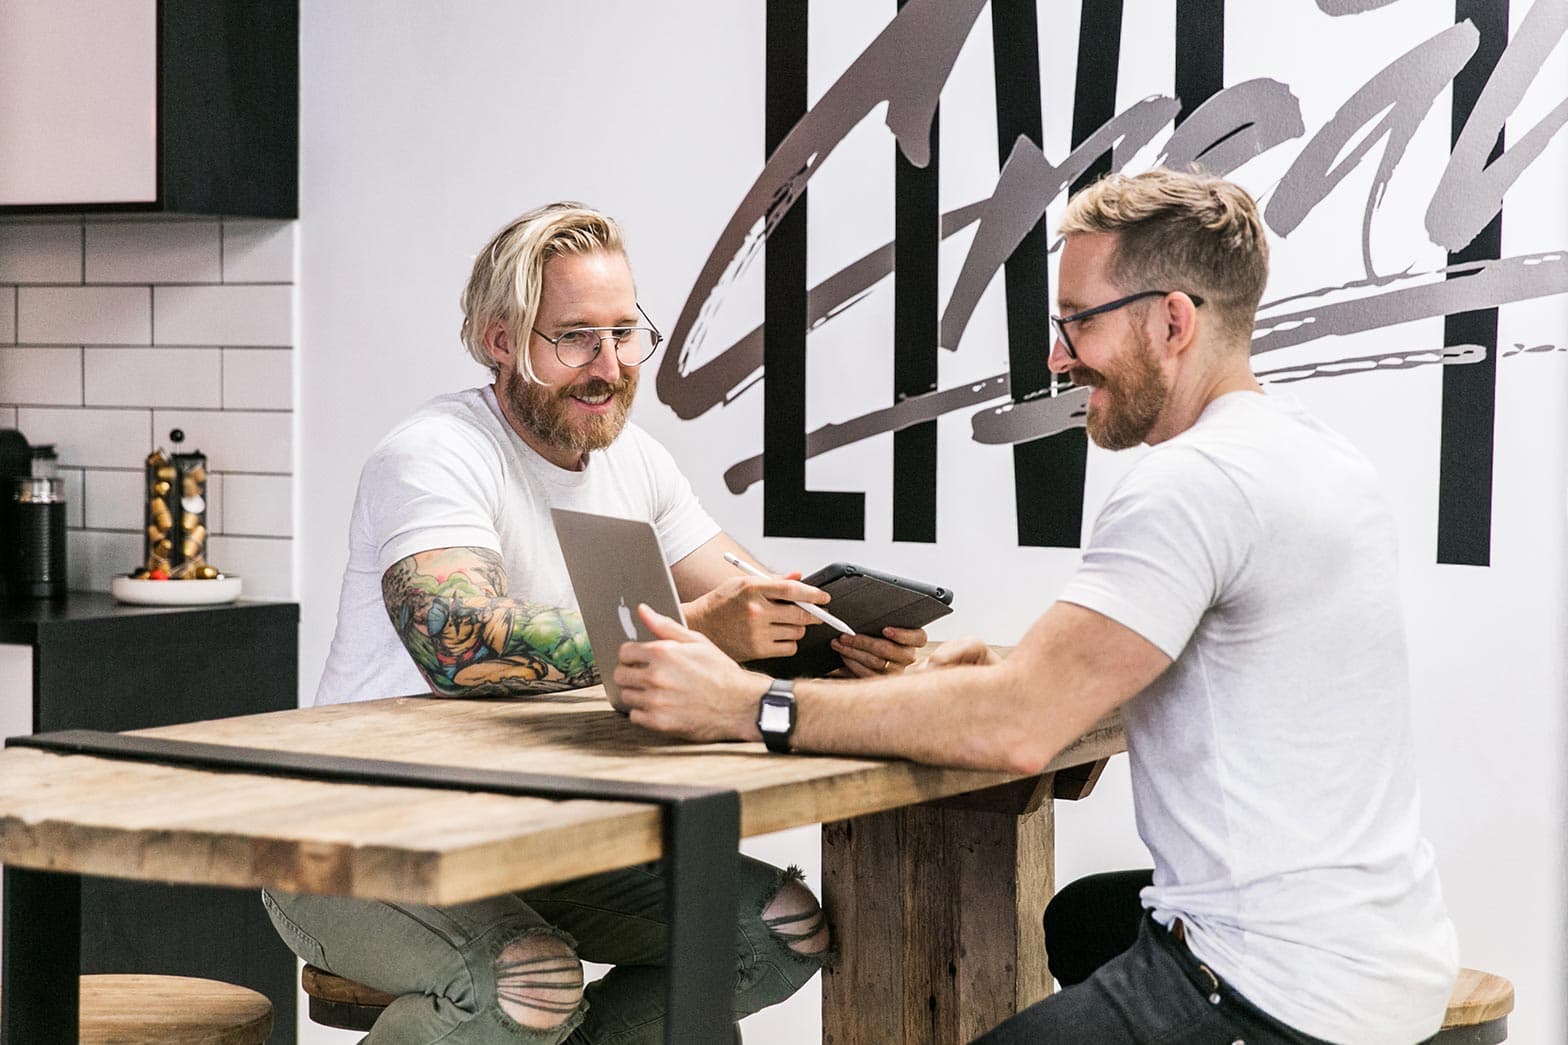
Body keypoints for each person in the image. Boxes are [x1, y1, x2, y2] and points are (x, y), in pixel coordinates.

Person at [615, 169, 1460, 1044]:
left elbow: (1018, 727)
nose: (1058, 356)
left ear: (1172, 322)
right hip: (1388, 951)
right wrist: (1000, 675)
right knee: (1082, 921)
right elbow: (1166, 667)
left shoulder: (1191, 483)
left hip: (1271, 991)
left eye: (1079, 321)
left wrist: (749, 704)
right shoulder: (1314, 454)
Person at [263, 202, 928, 1044]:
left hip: (538, 831)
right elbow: (456, 643)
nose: (608, 366)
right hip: (351, 835)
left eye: (623, 334)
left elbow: (750, 598)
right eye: (575, 338)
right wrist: (700, 629)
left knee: (778, 930)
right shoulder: (433, 452)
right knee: (531, 979)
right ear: (502, 341)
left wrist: (843, 640)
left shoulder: (636, 462)